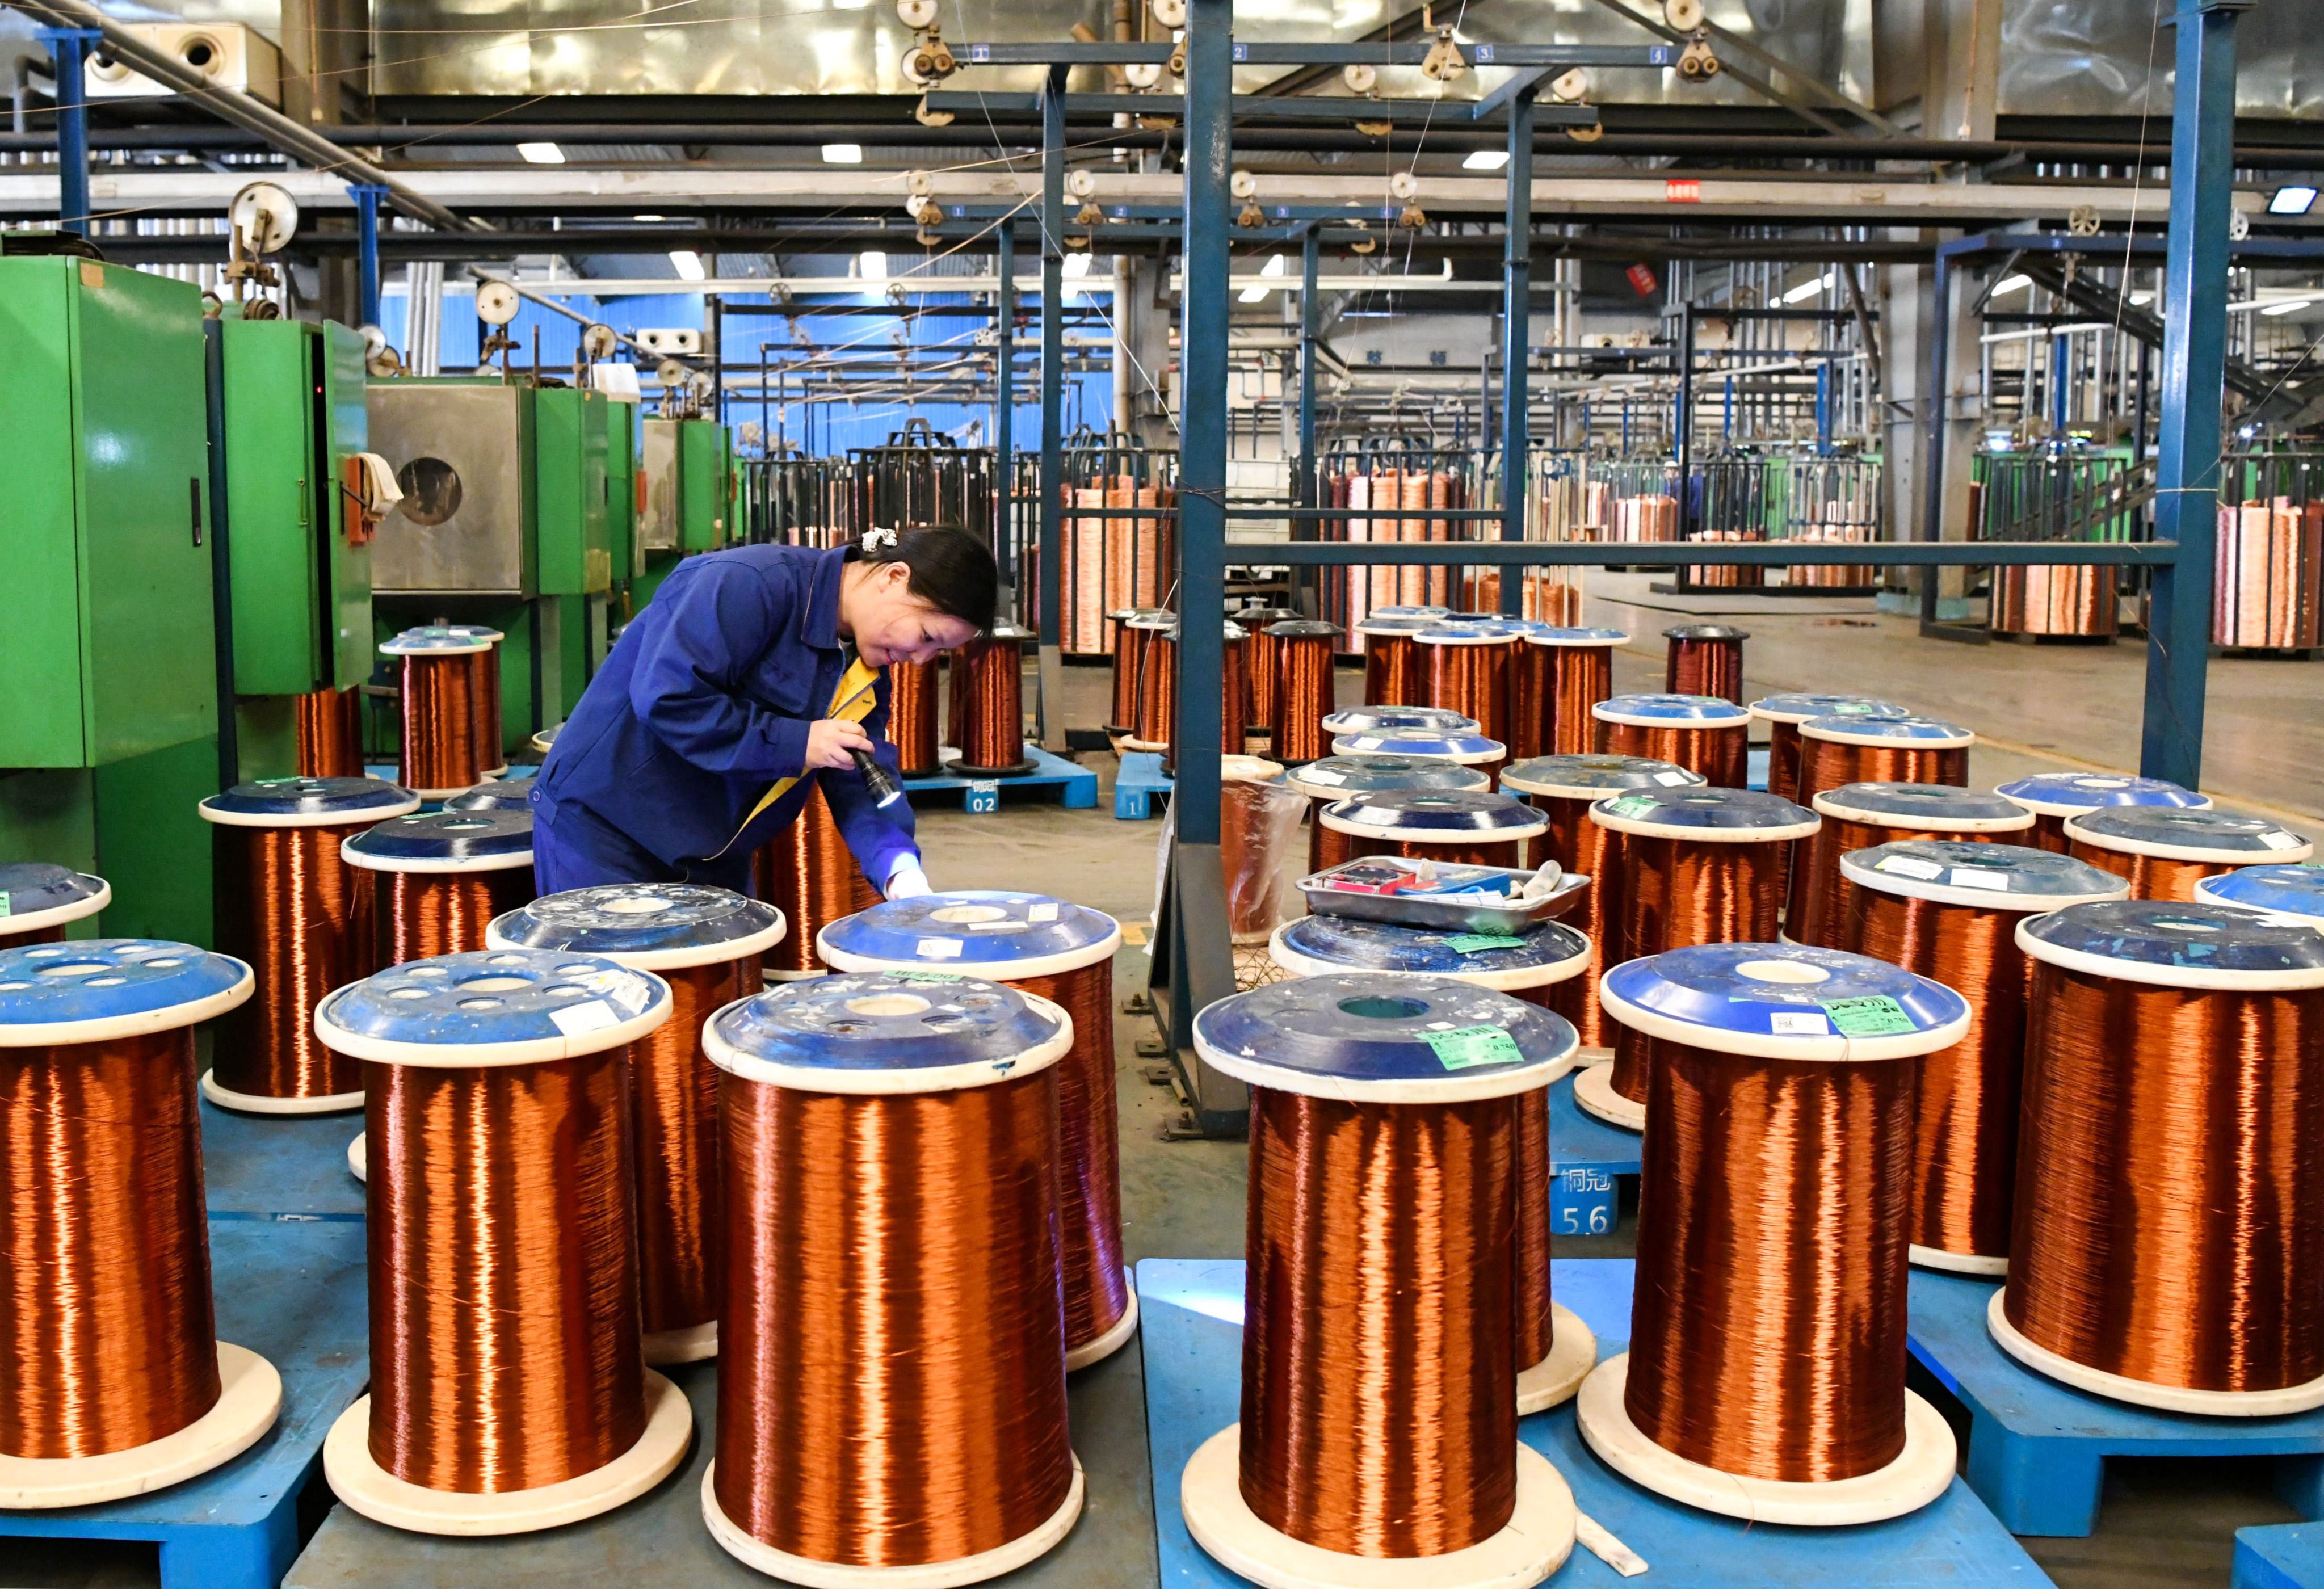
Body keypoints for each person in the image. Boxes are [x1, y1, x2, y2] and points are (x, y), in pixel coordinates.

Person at [528, 524, 994, 898]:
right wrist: (797, 741)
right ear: (893, 577)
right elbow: (669, 698)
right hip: (608, 837)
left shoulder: (864, 667)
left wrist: (897, 867)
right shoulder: (745, 584)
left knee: (708, 1008)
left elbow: (861, 778)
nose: (920, 660)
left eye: (938, 653)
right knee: (621, 1004)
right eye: (928, 637)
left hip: (713, 856)